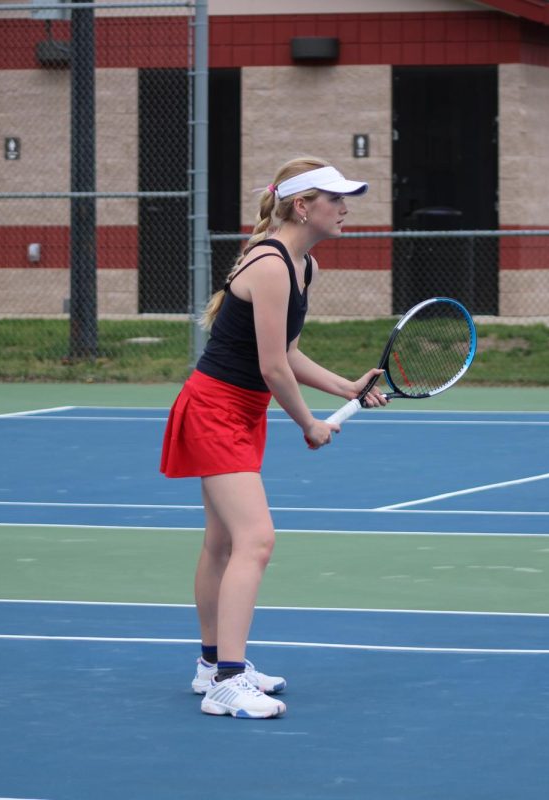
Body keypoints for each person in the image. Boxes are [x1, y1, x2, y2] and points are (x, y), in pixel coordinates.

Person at [159, 157, 388, 719]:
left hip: (240, 411)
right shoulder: (270, 264)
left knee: (222, 544)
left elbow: (284, 351)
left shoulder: (301, 265)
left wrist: (345, 387)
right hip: (215, 408)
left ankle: (213, 665)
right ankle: (228, 683)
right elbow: (272, 368)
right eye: (335, 199)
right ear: (302, 206)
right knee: (256, 540)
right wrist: (309, 422)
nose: (345, 207)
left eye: (346, 198)